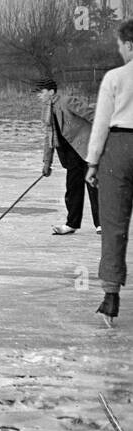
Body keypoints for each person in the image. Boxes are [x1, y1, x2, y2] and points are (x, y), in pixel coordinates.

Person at [85, 20, 133, 322]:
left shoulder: (114, 78)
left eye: (120, 45)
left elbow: (101, 123)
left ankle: (111, 295)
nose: (119, 51)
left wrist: (92, 162)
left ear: (129, 45)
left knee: (114, 224)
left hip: (119, 147)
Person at [37, 78, 100, 236]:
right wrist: (47, 163)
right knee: (72, 189)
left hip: (85, 149)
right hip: (69, 154)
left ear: (51, 92)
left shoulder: (67, 101)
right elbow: (49, 138)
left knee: (93, 187)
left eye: (41, 92)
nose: (39, 95)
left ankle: (102, 224)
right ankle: (72, 224)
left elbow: (91, 114)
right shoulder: (46, 111)